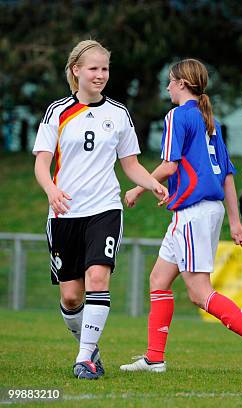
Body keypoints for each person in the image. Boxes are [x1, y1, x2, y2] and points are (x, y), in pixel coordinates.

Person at [33, 40, 168, 380]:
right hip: (65, 213)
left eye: (105, 69)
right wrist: (51, 190)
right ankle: (90, 347)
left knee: (97, 278)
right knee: (71, 296)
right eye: (93, 68)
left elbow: (131, 164)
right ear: (76, 70)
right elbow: (42, 163)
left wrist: (151, 183)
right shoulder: (57, 112)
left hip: (105, 209)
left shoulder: (119, 114)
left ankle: (85, 360)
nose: (100, 75)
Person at [119, 59, 242, 373]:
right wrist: (235, 222)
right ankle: (154, 359)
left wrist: (140, 189)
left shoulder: (178, 116)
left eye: (170, 81)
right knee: (158, 279)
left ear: (182, 83)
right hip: (205, 211)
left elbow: (169, 166)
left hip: (192, 212)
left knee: (199, 292)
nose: (167, 87)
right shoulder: (210, 120)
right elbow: (227, 176)